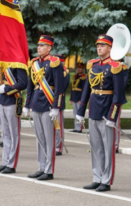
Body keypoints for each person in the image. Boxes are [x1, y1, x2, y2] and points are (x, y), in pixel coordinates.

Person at [76, 34, 125, 192]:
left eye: (103, 45)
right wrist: (81, 111)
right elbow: (86, 90)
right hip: (94, 109)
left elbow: (118, 95)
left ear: (110, 48)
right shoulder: (93, 65)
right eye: (98, 45)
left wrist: (113, 116)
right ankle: (97, 177)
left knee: (108, 148)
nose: (99, 48)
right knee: (95, 146)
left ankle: (106, 180)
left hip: (107, 111)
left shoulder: (115, 66)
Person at [24, 35, 64, 180]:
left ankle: (49, 170)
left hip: (48, 104)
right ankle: (41, 167)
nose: (39, 47)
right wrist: (27, 104)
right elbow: (30, 86)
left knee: (49, 139)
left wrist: (56, 107)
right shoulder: (34, 63)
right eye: (38, 45)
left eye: (42, 45)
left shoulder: (54, 63)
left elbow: (59, 88)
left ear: (49, 48)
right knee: (39, 138)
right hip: (36, 102)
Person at [0, 50, 28, 174]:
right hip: (2, 100)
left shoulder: (17, 63)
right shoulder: (3, 64)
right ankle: (5, 162)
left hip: (13, 101)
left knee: (13, 134)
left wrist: (7, 89)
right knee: (5, 134)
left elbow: (23, 83)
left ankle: (12, 164)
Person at [54, 54, 70, 156]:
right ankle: (53, 145)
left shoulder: (65, 73)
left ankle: (58, 147)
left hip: (58, 101)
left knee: (58, 126)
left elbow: (62, 88)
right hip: (51, 101)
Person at [70, 62, 86, 133]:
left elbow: (84, 89)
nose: (78, 69)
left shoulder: (83, 77)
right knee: (75, 113)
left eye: (80, 68)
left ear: (82, 69)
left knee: (80, 113)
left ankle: (80, 128)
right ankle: (76, 127)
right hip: (74, 96)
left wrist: (81, 99)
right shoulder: (74, 77)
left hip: (79, 97)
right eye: (77, 68)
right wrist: (71, 98)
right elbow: (72, 88)